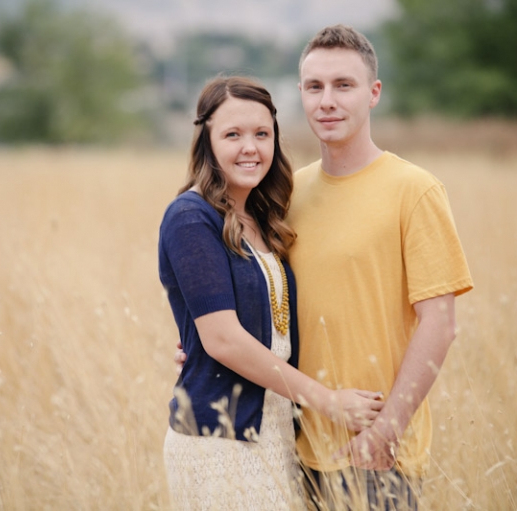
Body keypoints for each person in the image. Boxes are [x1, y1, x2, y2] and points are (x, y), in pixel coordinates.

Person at [176, 27, 474, 510]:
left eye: (344, 85)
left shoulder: (414, 190)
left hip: (377, 452)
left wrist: (387, 429)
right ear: (301, 95)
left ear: (373, 93)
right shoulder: (287, 195)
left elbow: (440, 322)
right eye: (314, 87)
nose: (327, 101)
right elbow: (264, 297)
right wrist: (204, 343)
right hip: (294, 445)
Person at [158, 75, 383, 510]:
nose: (251, 148)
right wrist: (329, 401)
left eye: (262, 134)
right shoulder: (191, 216)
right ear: (206, 142)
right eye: (233, 135)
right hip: (219, 442)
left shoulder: (264, 217)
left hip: (277, 435)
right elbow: (222, 339)